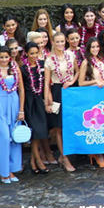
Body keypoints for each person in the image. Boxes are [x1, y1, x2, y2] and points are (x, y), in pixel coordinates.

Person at [0, 46, 25, 184]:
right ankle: (3, 172)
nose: (3, 60)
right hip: (0, 106)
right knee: (4, 137)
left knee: (14, 138)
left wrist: (21, 110)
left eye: (6, 57)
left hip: (14, 105)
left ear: (10, 57)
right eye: (1, 57)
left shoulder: (15, 69)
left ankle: (12, 169)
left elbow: (21, 89)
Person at [43, 30, 77, 172]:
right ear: (53, 43)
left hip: (71, 89)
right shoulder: (49, 60)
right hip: (57, 91)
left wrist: (71, 82)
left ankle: (72, 153)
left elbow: (77, 72)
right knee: (59, 126)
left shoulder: (71, 55)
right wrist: (48, 100)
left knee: (71, 123)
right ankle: (64, 156)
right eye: (57, 42)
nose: (60, 44)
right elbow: (46, 83)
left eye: (62, 41)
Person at [77, 37, 104, 168]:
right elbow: (81, 83)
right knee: (96, 124)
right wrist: (95, 82)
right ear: (88, 49)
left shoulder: (102, 59)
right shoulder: (86, 62)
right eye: (93, 47)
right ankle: (96, 153)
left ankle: (103, 150)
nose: (95, 49)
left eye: (97, 46)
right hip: (93, 95)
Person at [20, 42, 50, 174]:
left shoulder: (42, 66)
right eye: (31, 53)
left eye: (36, 53)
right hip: (29, 102)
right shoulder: (23, 69)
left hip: (39, 100)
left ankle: (33, 161)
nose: (34, 56)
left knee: (40, 131)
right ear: (26, 53)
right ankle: (38, 161)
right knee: (34, 132)